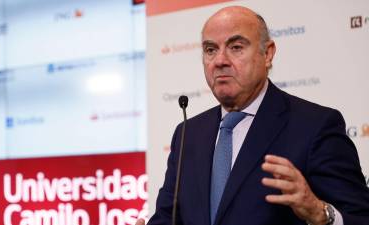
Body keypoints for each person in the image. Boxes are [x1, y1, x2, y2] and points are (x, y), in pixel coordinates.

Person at [137, 6, 369, 225]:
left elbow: (360, 218)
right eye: (210, 49)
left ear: (267, 54)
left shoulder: (315, 126)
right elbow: (169, 217)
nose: (219, 61)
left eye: (236, 47)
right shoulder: (188, 133)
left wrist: (320, 212)